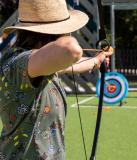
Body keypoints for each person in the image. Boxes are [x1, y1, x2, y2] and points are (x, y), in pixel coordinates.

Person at [0, 0, 114, 159]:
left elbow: (67, 64)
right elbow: (71, 50)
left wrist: (97, 61)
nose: (69, 34)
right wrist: (67, 38)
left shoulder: (38, 65)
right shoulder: (20, 63)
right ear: (52, 34)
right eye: (66, 30)